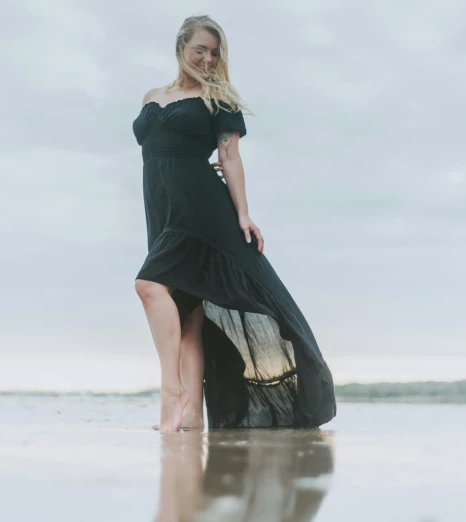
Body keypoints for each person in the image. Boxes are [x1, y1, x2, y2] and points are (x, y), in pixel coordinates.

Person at [133, 15, 337, 433]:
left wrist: (243, 213)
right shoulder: (152, 96)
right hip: (161, 207)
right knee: (188, 310)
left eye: (214, 52)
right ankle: (190, 416)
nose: (208, 59)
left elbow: (229, 158)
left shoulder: (218, 98)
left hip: (199, 205)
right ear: (181, 50)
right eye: (200, 50)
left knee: (149, 286)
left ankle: (170, 393)